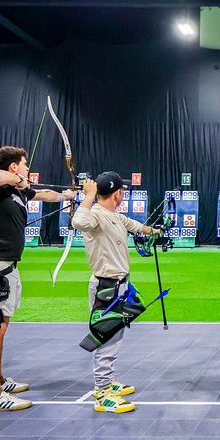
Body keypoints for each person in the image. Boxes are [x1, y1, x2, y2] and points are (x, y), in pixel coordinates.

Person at [0, 145, 74, 412]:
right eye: (24, 165)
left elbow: (43, 194)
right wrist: (17, 180)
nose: (28, 169)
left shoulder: (18, 191)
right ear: (13, 166)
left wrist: (66, 195)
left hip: (7, 266)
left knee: (0, 327)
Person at [70, 173, 162, 414]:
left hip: (119, 286)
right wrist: (89, 195)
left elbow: (136, 226)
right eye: (123, 191)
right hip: (105, 287)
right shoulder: (95, 215)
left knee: (115, 336)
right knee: (107, 338)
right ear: (118, 193)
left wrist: (156, 231)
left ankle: (108, 382)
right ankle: (102, 392)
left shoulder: (114, 215)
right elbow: (78, 221)